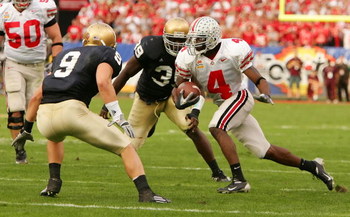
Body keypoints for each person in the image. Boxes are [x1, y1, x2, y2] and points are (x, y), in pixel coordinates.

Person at [11, 23, 170, 203]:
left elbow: (37, 96)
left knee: (54, 137)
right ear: (109, 43)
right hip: (72, 111)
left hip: (45, 118)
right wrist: (117, 113)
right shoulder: (106, 53)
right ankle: (145, 193)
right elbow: (103, 82)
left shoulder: (63, 55)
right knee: (126, 146)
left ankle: (53, 182)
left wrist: (26, 129)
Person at [174, 16, 335, 193]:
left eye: (199, 38)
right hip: (224, 105)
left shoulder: (233, 49)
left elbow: (257, 77)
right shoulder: (188, 58)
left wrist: (265, 93)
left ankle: (239, 180)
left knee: (216, 127)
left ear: (212, 37)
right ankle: (313, 166)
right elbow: (189, 89)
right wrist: (192, 110)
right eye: (194, 38)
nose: (194, 42)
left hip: (240, 97)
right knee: (265, 151)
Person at [100, 17, 229, 182]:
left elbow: (199, 88)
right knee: (129, 145)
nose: (176, 44)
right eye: (173, 39)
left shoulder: (193, 53)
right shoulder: (151, 47)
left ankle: (216, 172)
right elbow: (125, 74)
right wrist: (107, 105)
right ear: (164, 36)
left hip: (173, 97)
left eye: (180, 40)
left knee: (192, 129)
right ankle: (139, 175)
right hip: (147, 98)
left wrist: (195, 113)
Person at [0, 0, 63, 164]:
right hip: (13, 63)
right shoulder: (3, 11)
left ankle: (26, 134)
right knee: (15, 108)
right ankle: (19, 150)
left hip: (37, 66)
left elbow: (56, 37)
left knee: (36, 111)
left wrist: (55, 63)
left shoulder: (42, 8)